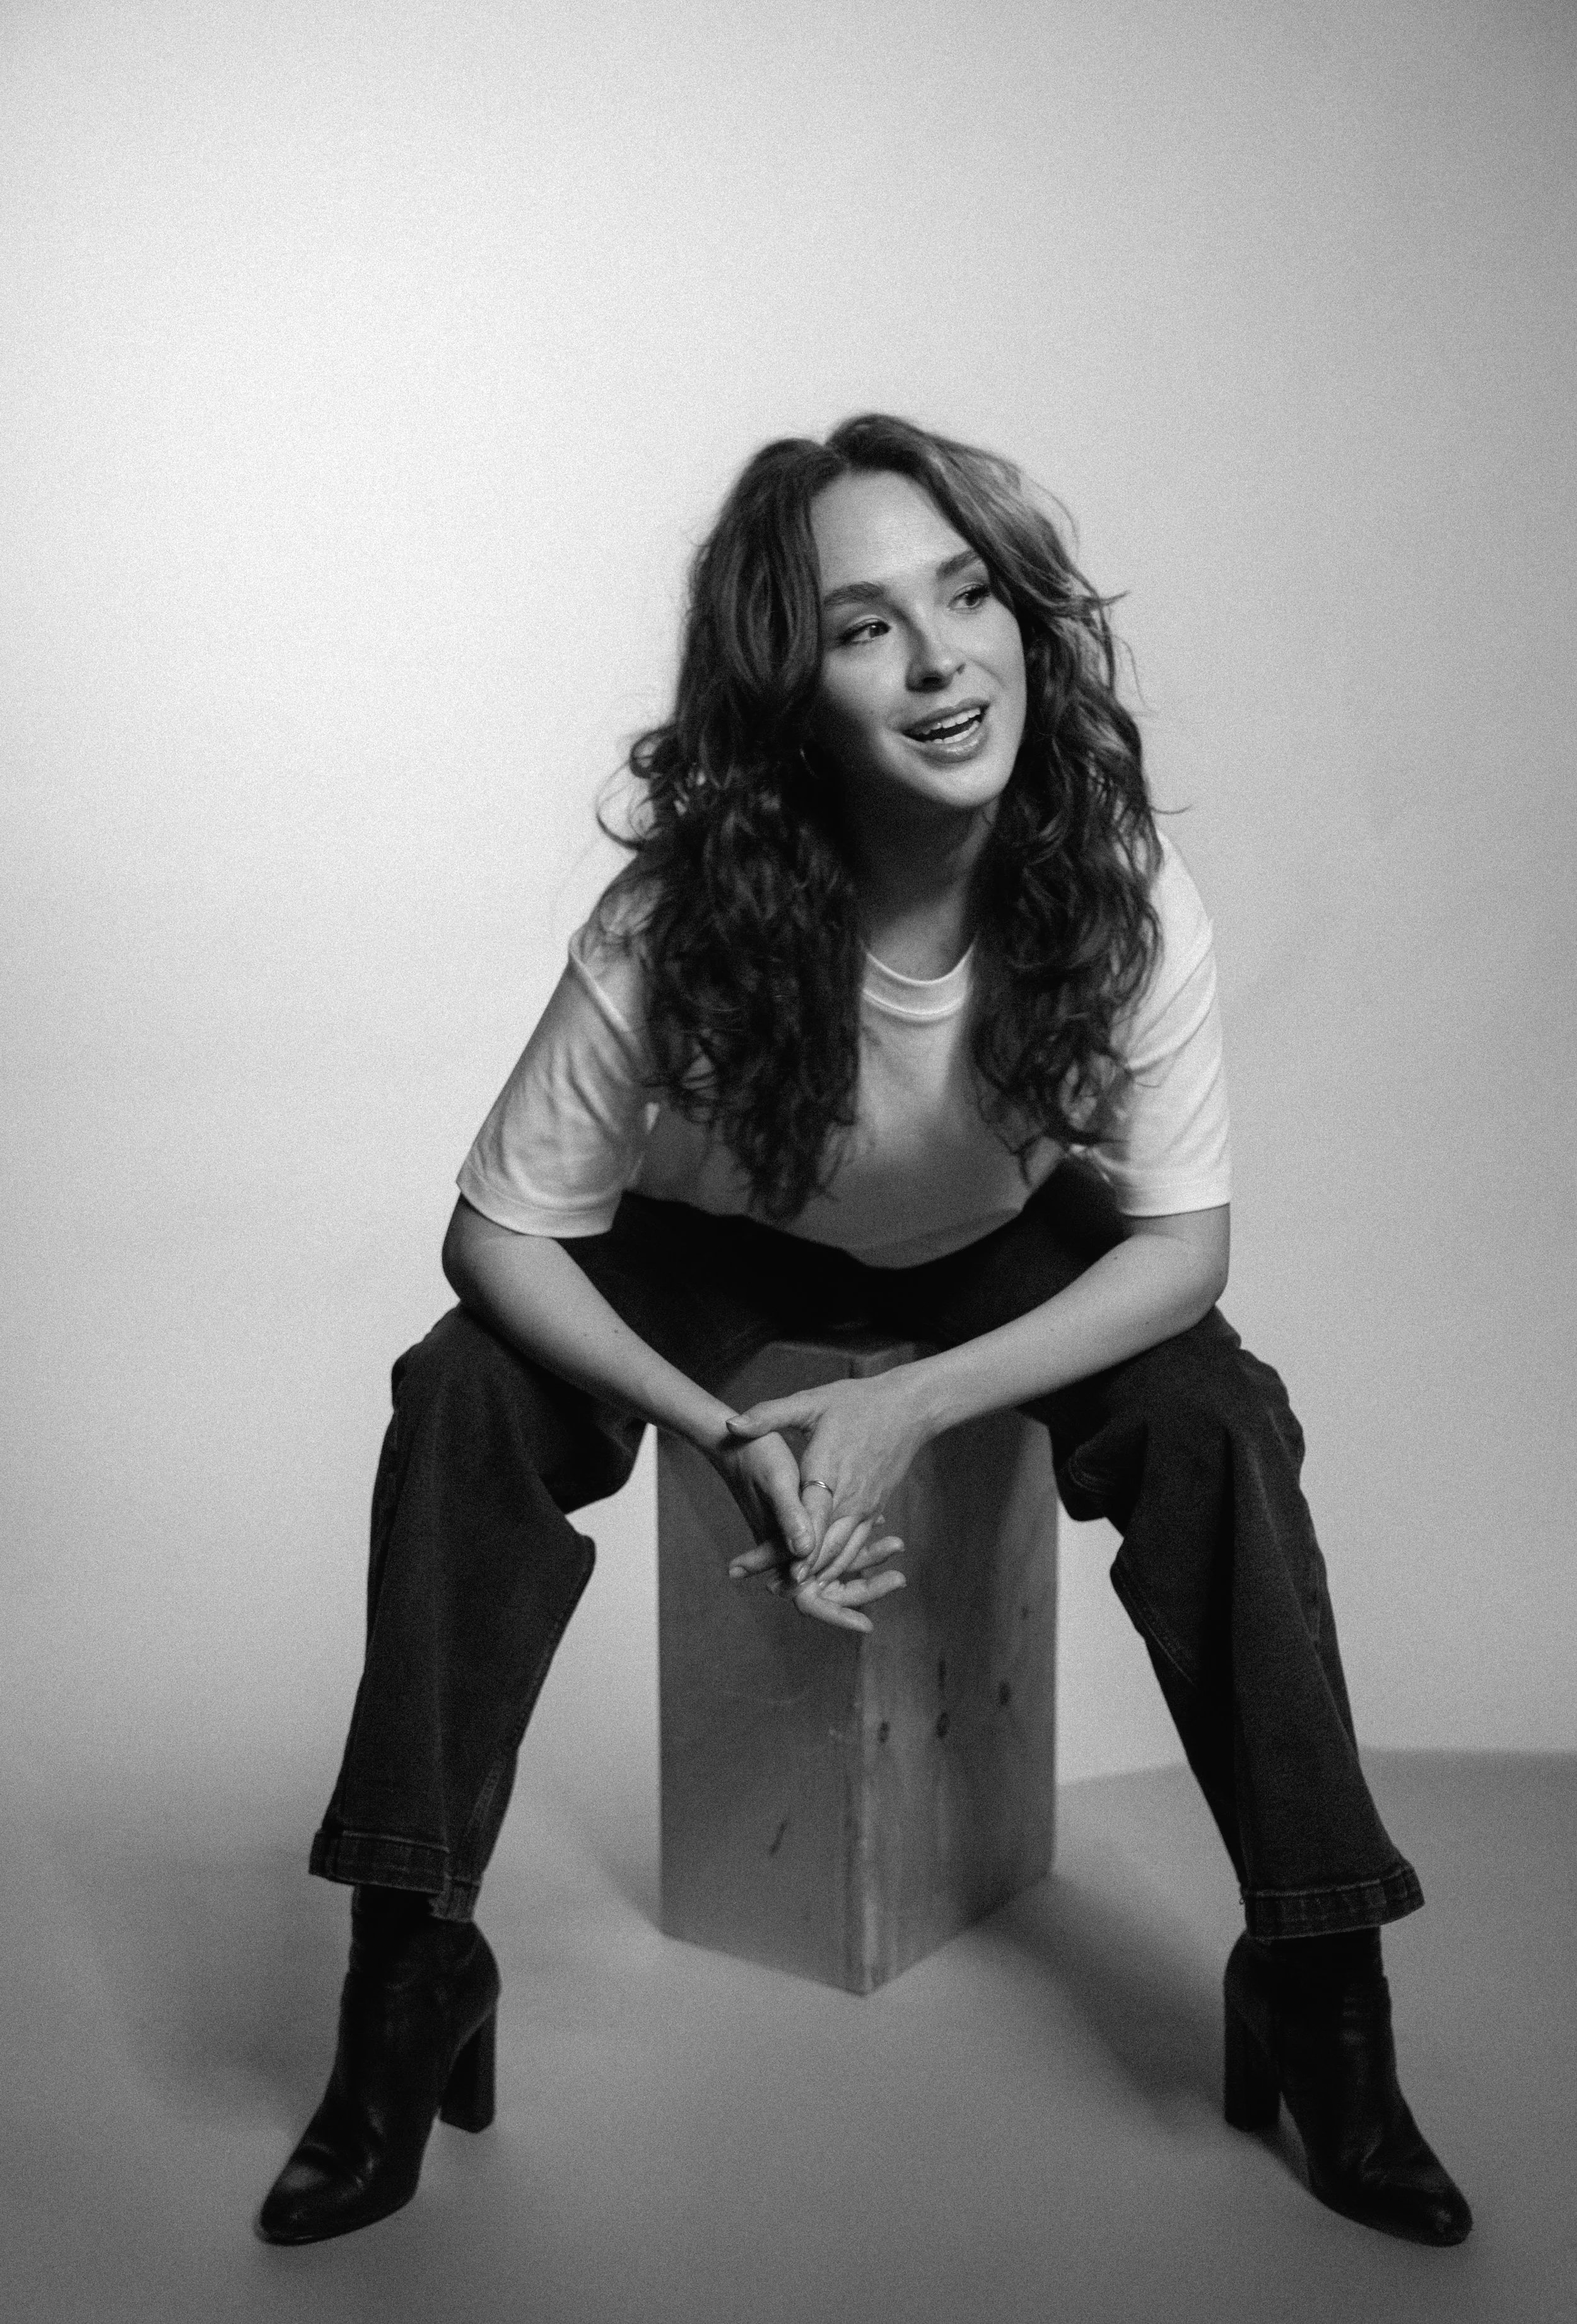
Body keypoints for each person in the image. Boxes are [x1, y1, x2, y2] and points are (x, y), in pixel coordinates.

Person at [255, 414, 1472, 2249]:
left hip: (986, 1252)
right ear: (785, 687)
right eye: (862, 625)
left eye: (964, 593)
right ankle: (409, 1966)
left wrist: (913, 1405)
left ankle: (1320, 1977)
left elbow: (1180, 1253)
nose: (938, 661)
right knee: (460, 1395)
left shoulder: (1119, 896)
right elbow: (495, 1234)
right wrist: (708, 1421)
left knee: (1219, 1414)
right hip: (727, 1247)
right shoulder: (679, 917)